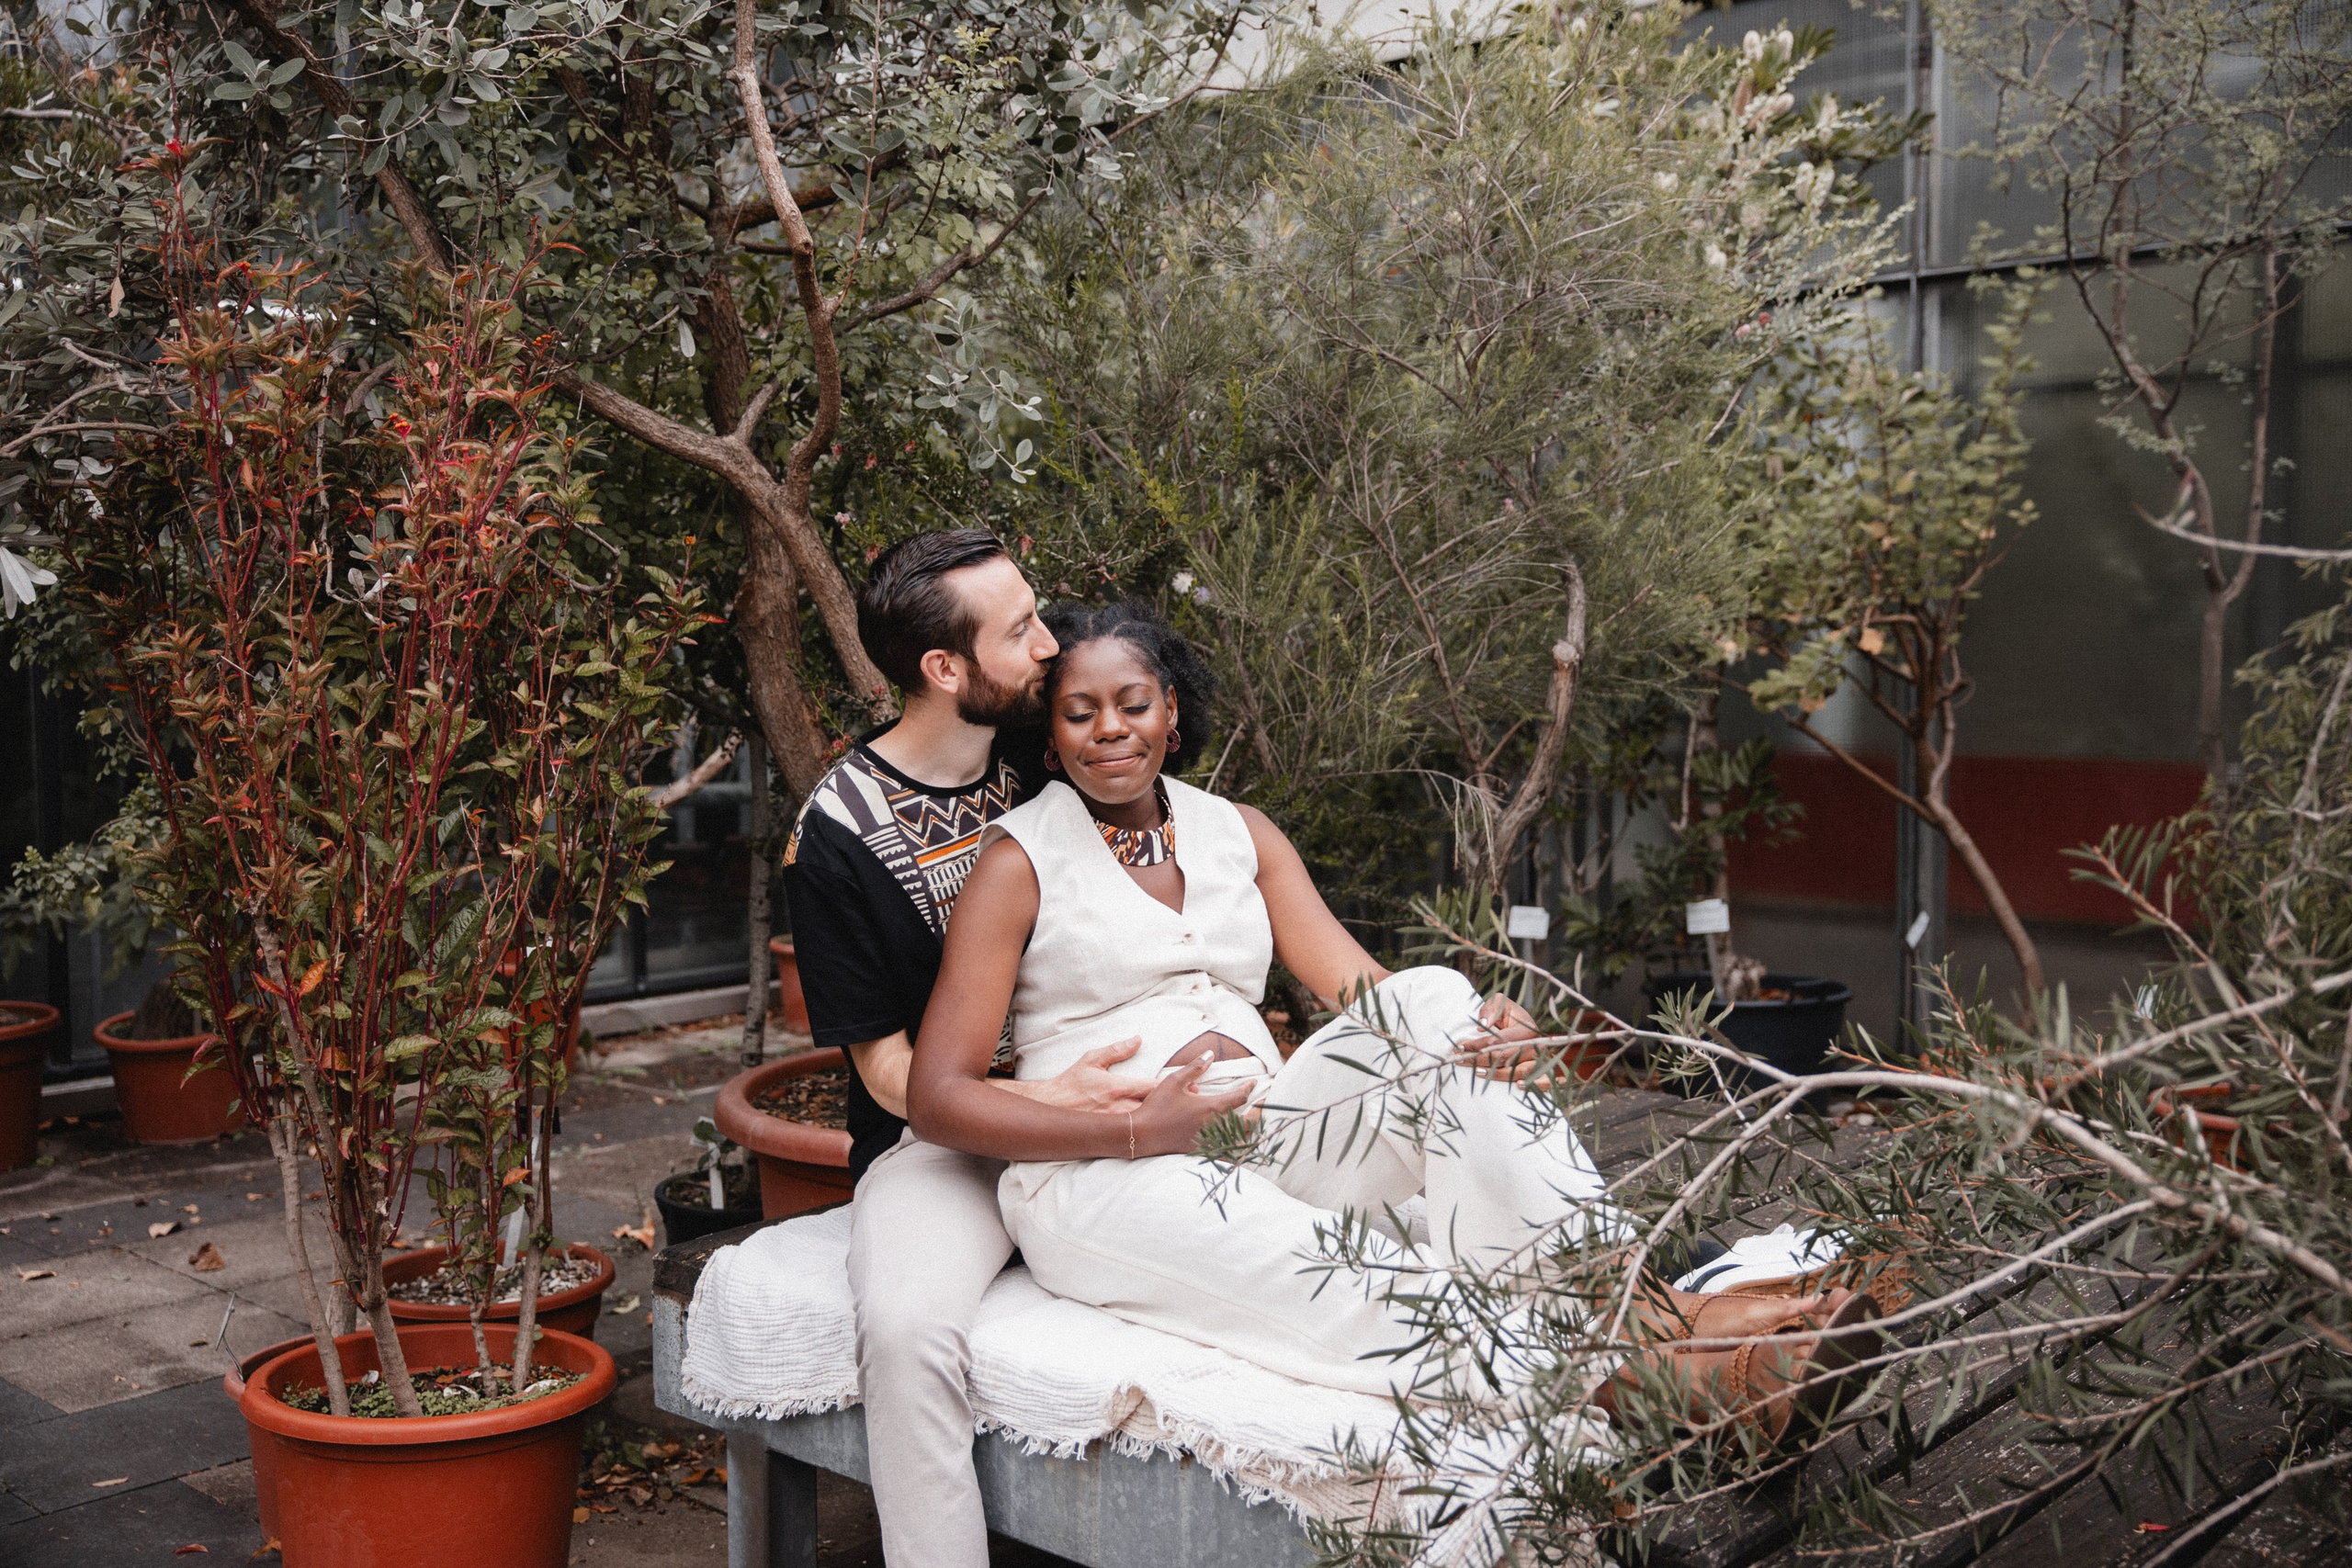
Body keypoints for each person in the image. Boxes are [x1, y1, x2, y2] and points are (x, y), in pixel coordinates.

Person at [906, 603, 1882, 1432]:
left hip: (1272, 1132)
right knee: (1334, 1273)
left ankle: (1640, 1310)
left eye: (1131, 704)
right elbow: (938, 1097)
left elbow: (1367, 997)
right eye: (1079, 714)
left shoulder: (1238, 833)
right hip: (1106, 1177)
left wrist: (1482, 1030)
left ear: (1170, 710)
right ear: (1050, 737)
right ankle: (1665, 1382)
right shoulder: (1016, 861)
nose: (1109, 730)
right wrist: (1131, 1129)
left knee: (1434, 998)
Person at [781, 533, 1247, 1568]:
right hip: (944, 1145)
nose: (1048, 644)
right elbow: (890, 1075)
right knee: (905, 1330)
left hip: (1112, 1080)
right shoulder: (838, 836)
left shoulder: (1046, 746)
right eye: (1021, 629)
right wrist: (1061, 1107)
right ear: (945, 670)